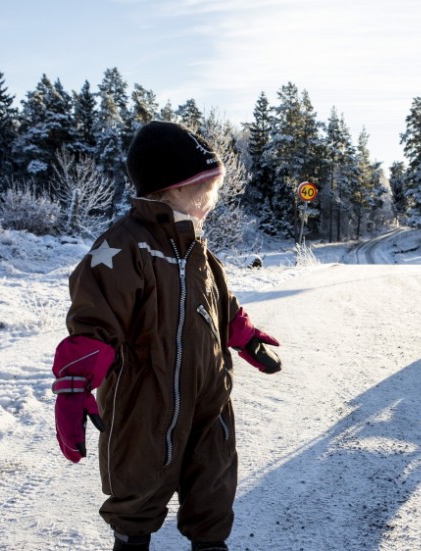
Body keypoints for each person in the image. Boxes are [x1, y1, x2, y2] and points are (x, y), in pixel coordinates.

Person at [50, 121, 282, 551]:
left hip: (209, 404)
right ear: (171, 188)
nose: (211, 199)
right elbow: (95, 321)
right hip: (144, 407)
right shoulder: (124, 247)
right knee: (137, 493)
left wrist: (243, 335)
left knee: (213, 491)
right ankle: (131, 543)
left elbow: (218, 304)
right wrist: (74, 380)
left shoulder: (199, 250)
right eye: (205, 188)